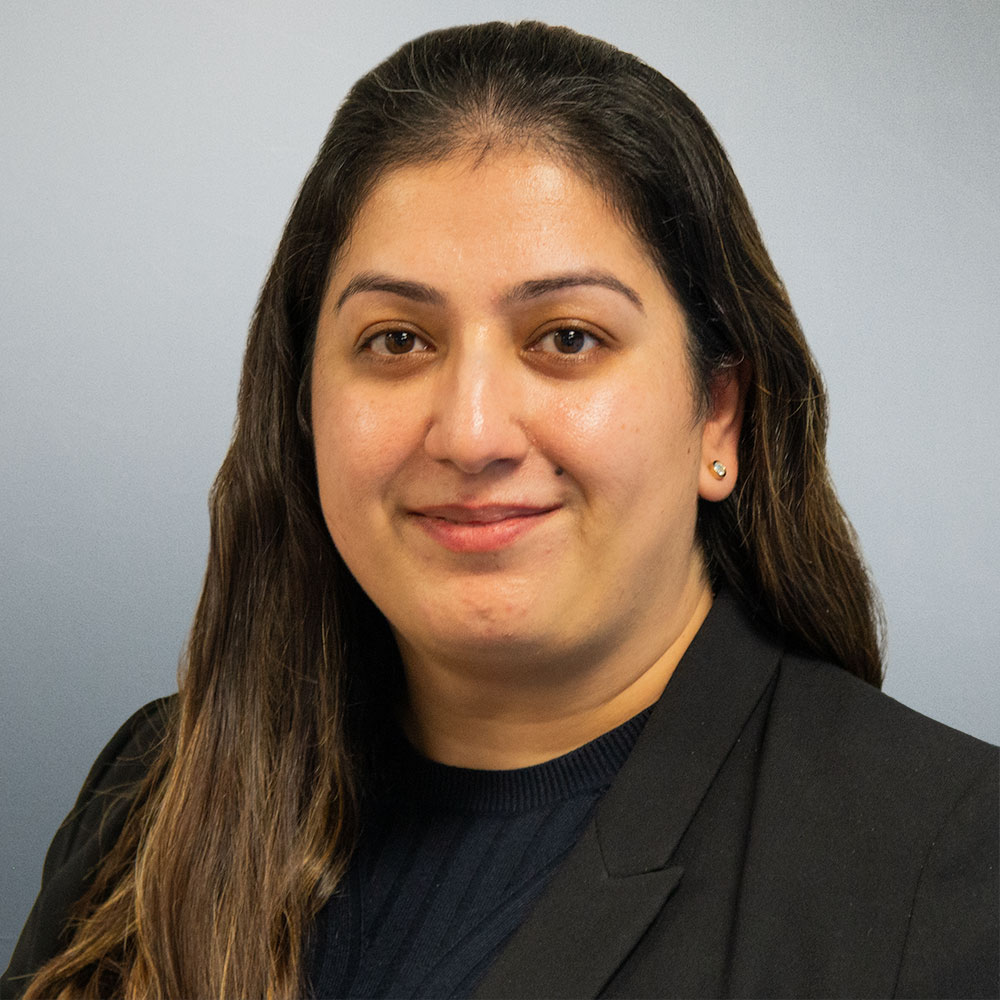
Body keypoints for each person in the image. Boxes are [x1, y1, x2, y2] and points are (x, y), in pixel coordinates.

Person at [2, 20, 996, 1000]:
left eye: (566, 337)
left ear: (718, 418)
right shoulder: (154, 793)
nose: (470, 433)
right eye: (395, 341)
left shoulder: (950, 865)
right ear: (301, 406)